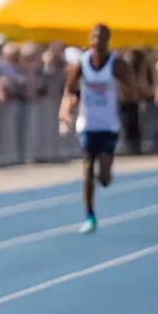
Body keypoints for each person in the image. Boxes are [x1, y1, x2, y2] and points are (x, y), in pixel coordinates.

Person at [59, 23, 137, 234]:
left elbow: (133, 89)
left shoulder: (116, 65)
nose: (96, 39)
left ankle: (106, 173)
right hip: (87, 124)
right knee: (87, 167)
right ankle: (89, 214)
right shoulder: (81, 64)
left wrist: (124, 93)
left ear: (108, 39)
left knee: (103, 177)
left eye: (101, 36)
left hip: (109, 124)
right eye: (93, 35)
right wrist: (67, 110)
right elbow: (70, 91)